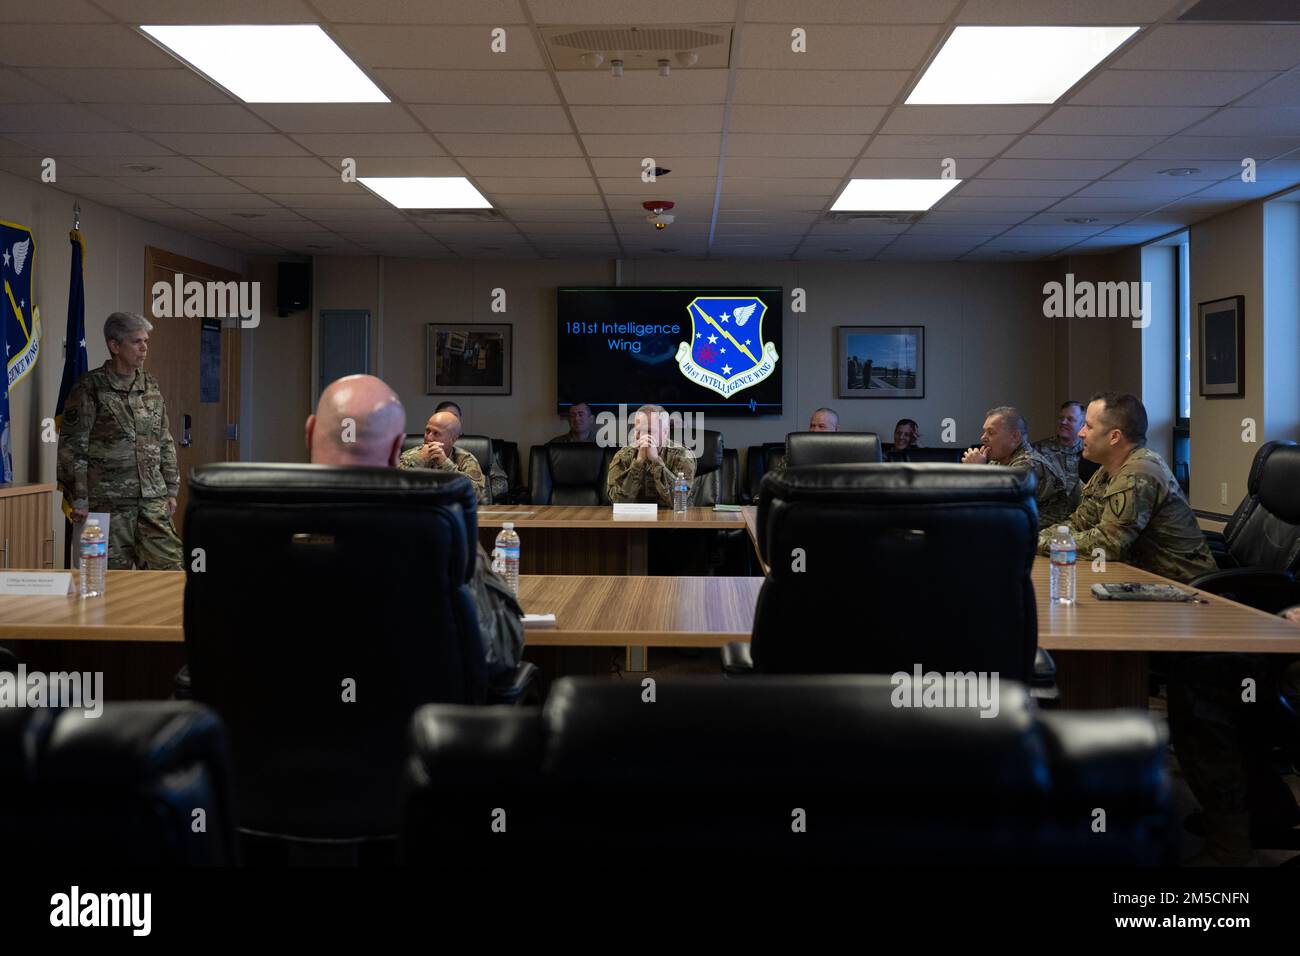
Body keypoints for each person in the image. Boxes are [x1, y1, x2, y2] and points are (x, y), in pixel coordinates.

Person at [307, 375, 522, 677]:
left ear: (309, 432)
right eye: (427, 432)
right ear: (398, 448)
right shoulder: (446, 537)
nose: (430, 438)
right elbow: (503, 647)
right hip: (420, 710)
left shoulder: (255, 528)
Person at [1036, 392, 1215, 581]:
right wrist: (1035, 539)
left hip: (1186, 589)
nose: (1081, 433)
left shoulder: (1138, 473)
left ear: (1114, 437)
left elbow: (1108, 545)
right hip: (1145, 580)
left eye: (1088, 426)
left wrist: (1043, 544)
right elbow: (1080, 523)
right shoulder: (1108, 469)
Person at [56, 312, 182, 570]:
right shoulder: (90, 387)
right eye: (137, 342)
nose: (144, 348)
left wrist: (171, 487)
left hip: (152, 502)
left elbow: (164, 439)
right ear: (114, 346)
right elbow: (73, 446)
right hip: (106, 506)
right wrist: (78, 498)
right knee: (105, 579)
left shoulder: (150, 385)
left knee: (169, 574)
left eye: (146, 341)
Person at [961, 406, 1071, 529]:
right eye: (984, 432)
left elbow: (995, 509)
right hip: (1017, 530)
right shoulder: (998, 461)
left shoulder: (1029, 465)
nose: (983, 438)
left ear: (1015, 437)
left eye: (990, 432)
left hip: (1044, 537)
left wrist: (976, 472)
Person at [606, 404, 696, 506]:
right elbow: (618, 502)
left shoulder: (682, 456)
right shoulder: (623, 455)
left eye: (649, 431)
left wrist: (656, 461)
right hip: (636, 519)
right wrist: (638, 463)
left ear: (665, 433)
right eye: (638, 430)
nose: (641, 436)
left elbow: (679, 501)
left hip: (673, 519)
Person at [398, 409, 487, 502]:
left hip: (452, 511)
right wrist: (420, 460)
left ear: (453, 439)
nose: (429, 437)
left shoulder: (465, 459)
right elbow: (396, 489)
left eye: (436, 433)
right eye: (427, 431)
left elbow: (476, 496)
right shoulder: (410, 455)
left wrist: (446, 464)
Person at [1034, 400, 1085, 509]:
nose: (1063, 422)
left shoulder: (1091, 454)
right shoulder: (1039, 450)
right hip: (1046, 519)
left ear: (1082, 425)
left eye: (1070, 419)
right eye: (1061, 418)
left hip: (1082, 519)